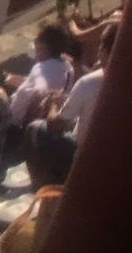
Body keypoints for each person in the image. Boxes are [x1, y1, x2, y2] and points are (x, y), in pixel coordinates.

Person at [24, 19, 116, 185]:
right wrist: (69, 100)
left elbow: (55, 125)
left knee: (35, 128)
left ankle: (42, 185)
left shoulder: (90, 82)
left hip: (86, 154)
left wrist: (53, 103)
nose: (98, 52)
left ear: (108, 52)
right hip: (113, 153)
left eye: (101, 47)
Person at [3, 22, 72, 132]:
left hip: (26, 127)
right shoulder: (68, 68)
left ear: (43, 48)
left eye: (37, 43)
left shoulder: (39, 68)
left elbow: (22, 98)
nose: (34, 45)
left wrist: (10, 121)